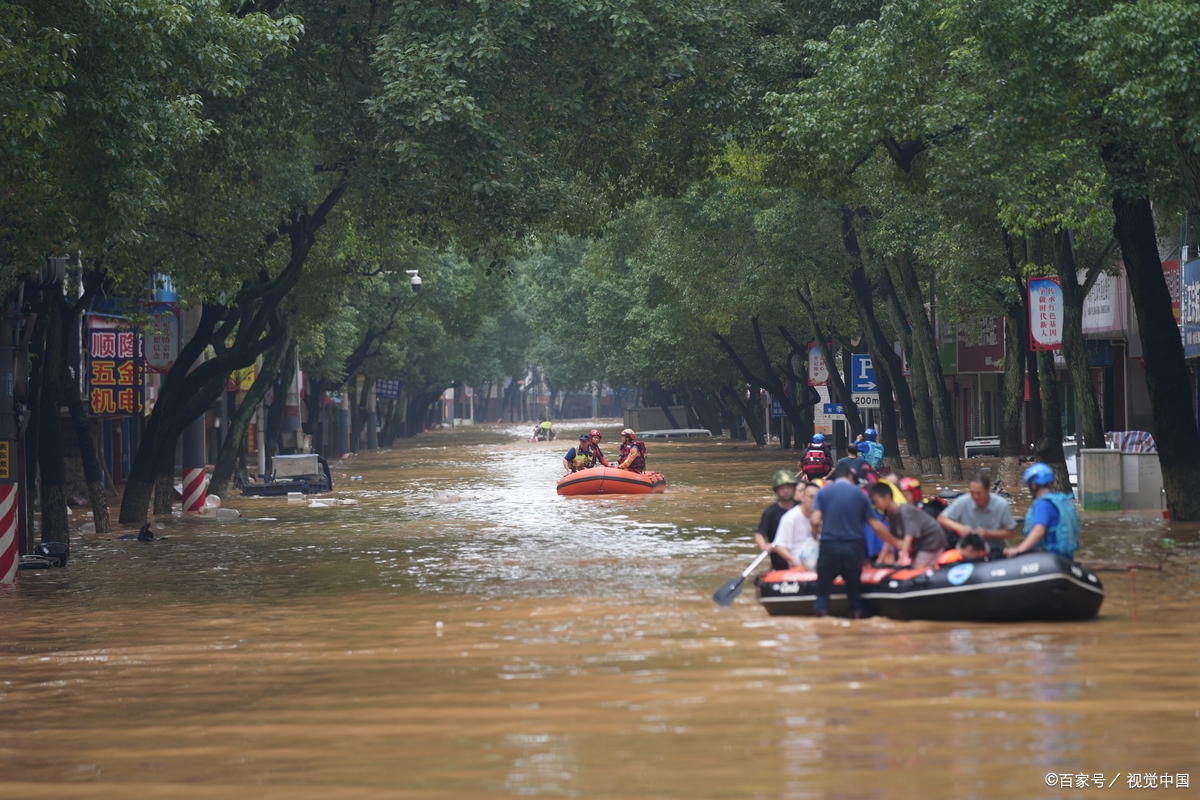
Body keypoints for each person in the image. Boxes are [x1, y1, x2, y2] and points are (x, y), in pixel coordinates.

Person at [810, 463, 904, 618]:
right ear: (850, 476)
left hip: (829, 546)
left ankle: (822, 625)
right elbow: (876, 526)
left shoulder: (823, 493)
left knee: (822, 595)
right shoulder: (860, 494)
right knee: (854, 594)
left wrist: (815, 536)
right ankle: (856, 619)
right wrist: (896, 543)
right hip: (852, 548)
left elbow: (814, 521)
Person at [1004, 463, 1080, 559]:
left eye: (1029, 485)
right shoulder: (1060, 500)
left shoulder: (1043, 504)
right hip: (1065, 556)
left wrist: (1019, 549)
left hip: (1049, 557)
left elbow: (1039, 531)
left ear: (1034, 485)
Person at [868, 482, 947, 568]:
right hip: (919, 544)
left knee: (919, 567)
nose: (876, 505)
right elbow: (889, 538)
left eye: (876, 501)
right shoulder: (891, 514)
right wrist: (879, 560)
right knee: (915, 567)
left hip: (932, 539)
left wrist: (901, 560)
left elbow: (908, 536)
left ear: (887, 497)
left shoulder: (905, 510)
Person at [937, 472, 1016, 545]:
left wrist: (988, 533)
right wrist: (960, 527)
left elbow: (1011, 533)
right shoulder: (964, 501)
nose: (975, 497)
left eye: (979, 493)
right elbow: (941, 518)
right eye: (972, 493)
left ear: (988, 490)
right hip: (970, 547)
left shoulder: (1001, 504)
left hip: (995, 547)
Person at [755, 470, 800, 571]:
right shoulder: (770, 513)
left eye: (789, 487)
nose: (786, 491)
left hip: (803, 559)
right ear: (777, 490)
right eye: (782, 488)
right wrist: (764, 546)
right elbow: (759, 534)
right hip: (780, 564)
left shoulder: (802, 508)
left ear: (794, 488)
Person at [772, 482, 821, 569]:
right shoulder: (790, 518)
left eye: (818, 498)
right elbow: (779, 546)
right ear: (802, 498)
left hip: (820, 563)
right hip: (797, 565)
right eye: (811, 497)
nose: (814, 501)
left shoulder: (823, 516)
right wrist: (794, 561)